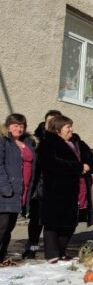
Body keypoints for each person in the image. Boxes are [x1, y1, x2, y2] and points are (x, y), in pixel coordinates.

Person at [37, 115, 93, 262]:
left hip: (79, 188)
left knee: (71, 222)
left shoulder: (77, 141)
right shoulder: (48, 143)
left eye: (71, 126)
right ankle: (52, 255)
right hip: (57, 189)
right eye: (68, 127)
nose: (71, 129)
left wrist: (89, 165)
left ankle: (62, 251)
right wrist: (78, 167)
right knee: (53, 223)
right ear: (58, 129)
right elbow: (51, 163)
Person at [0, 114, 36, 266]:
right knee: (2, 227)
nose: (19, 128)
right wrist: (5, 188)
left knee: (8, 228)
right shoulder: (4, 141)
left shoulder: (28, 142)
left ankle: (1, 257)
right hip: (6, 192)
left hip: (21, 192)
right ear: (8, 126)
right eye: (15, 125)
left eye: (22, 125)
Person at [24, 110, 60, 260]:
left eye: (55, 121)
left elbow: (88, 157)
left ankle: (51, 252)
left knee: (51, 222)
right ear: (44, 122)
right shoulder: (35, 139)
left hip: (56, 187)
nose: (51, 124)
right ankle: (31, 248)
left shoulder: (65, 139)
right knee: (36, 221)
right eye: (49, 121)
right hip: (38, 186)